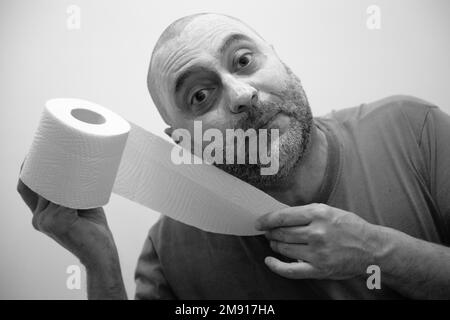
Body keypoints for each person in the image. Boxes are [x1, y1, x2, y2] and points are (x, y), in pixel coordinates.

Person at [17, 13, 450, 299]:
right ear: (183, 143)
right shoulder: (169, 252)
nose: (242, 94)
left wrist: (376, 251)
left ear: (283, 63)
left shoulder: (415, 129)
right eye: (201, 96)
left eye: (244, 60)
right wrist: (100, 263)